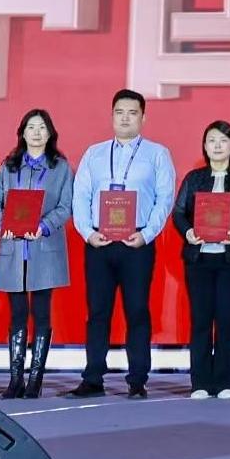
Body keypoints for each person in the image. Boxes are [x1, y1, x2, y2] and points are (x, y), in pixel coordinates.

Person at [69, 89, 175, 398]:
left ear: (143, 117)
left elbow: (164, 198)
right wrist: (87, 232)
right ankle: (93, 378)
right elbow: (81, 196)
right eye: (119, 112)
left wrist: (147, 234)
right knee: (98, 312)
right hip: (99, 242)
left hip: (137, 243)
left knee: (137, 311)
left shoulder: (157, 154)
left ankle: (138, 379)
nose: (125, 118)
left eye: (132, 112)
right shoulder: (95, 153)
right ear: (112, 115)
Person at [0, 110, 73, 397]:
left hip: (43, 249)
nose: (36, 132)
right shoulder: (9, 166)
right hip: (14, 249)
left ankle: (35, 379)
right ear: (22, 132)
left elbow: (65, 206)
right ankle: (16, 379)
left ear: (50, 133)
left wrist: (44, 226)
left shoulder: (60, 167)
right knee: (17, 314)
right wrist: (1, 225)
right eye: (31, 127)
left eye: (42, 127)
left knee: (42, 313)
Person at [175, 121, 230, 399]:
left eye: (223, 140)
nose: (217, 145)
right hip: (198, 259)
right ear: (205, 146)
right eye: (212, 140)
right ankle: (200, 382)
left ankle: (225, 383)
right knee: (200, 320)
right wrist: (188, 232)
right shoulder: (194, 178)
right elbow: (179, 212)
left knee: (226, 319)